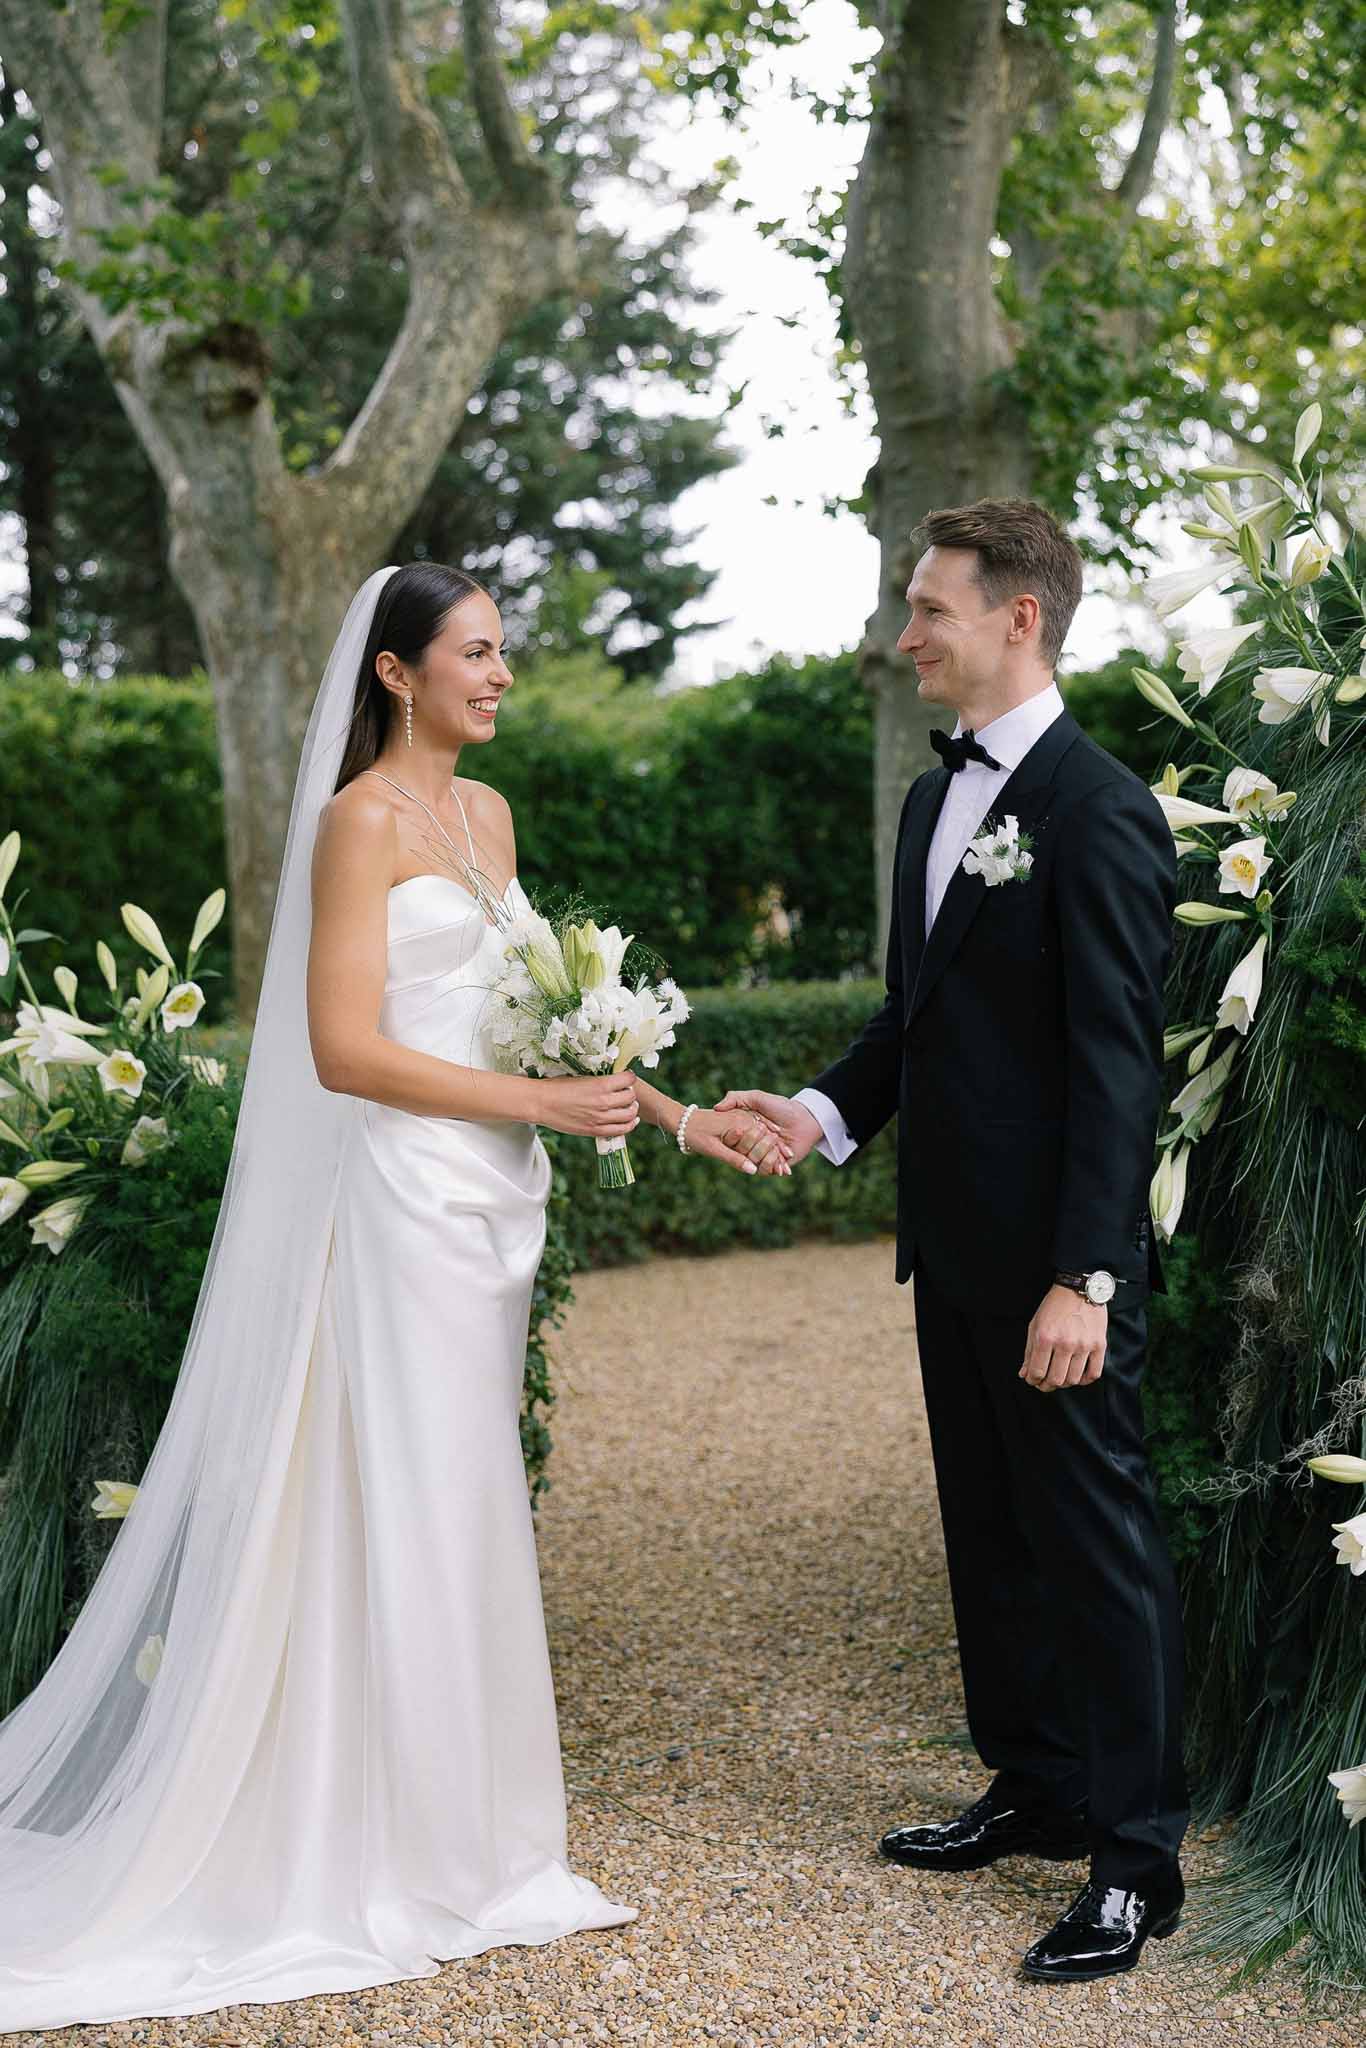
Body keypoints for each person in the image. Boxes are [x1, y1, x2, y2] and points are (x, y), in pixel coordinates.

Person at [0, 563, 785, 2032]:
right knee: (402, 1496)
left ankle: (470, 1842)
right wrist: (541, 1102)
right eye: (474, 652)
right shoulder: (355, 827)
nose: (500, 674)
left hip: (492, 1208)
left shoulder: (487, 818)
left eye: (503, 651)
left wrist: (676, 1117)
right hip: (403, 1204)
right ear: (395, 673)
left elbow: (538, 1009)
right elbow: (342, 1052)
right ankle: (364, 1839)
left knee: (465, 1500)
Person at [718, 501, 1189, 1984]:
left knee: (1096, 1552)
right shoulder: (933, 809)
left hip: (1056, 1271)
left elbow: (1122, 1068)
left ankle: (1133, 1862)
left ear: (1016, 620)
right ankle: (1036, 1786)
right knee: (989, 1537)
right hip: (952, 1247)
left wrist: (1088, 1276)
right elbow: (910, 1025)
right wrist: (814, 1111)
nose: (902, 634)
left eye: (928, 609)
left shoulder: (1103, 811)